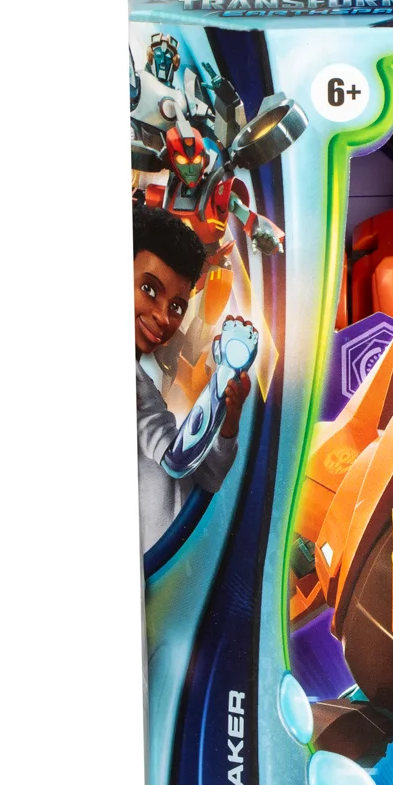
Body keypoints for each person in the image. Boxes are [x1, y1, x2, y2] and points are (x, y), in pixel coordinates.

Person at [132, 203, 250, 553]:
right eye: (149, 289)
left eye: (176, 306)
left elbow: (207, 478)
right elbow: (177, 460)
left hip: (182, 562)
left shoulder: (143, 381)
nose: (163, 317)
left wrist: (229, 420)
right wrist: (222, 376)